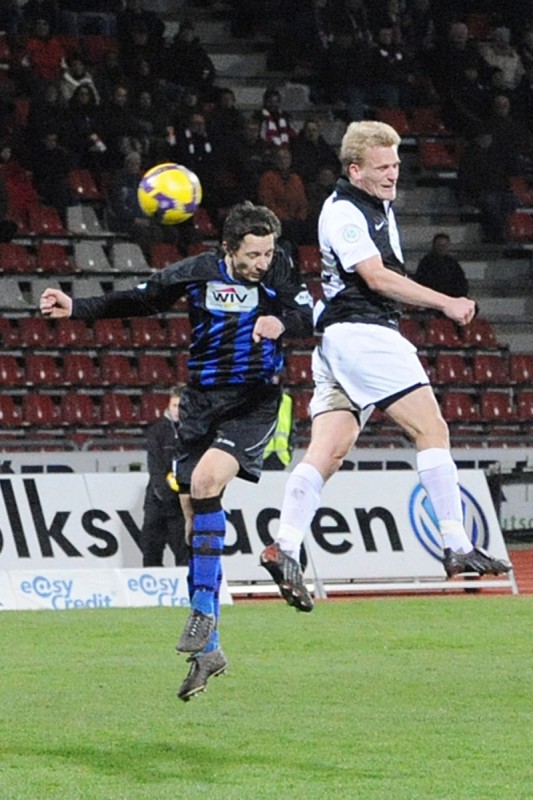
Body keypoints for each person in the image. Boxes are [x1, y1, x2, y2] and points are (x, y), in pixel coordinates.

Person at [39, 201, 313, 700]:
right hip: (200, 405)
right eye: (253, 254)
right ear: (228, 249)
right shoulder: (197, 273)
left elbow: (308, 313)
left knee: (206, 483)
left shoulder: (280, 270)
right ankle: (211, 651)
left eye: (267, 253)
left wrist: (283, 324)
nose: (262, 262)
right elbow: (141, 300)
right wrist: (76, 307)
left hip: (252, 402)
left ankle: (203, 611)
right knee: (192, 518)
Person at [259, 120, 511, 612]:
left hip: (339, 343)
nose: (393, 174)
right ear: (355, 170)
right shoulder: (346, 212)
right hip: (366, 336)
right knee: (431, 430)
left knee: (328, 452)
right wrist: (446, 301)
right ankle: (456, 542)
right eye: (382, 167)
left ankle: (284, 545)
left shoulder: (374, 205)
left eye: (395, 164)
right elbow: (375, 278)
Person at [140, 384, 188, 568]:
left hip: (181, 503)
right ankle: (151, 585)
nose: (177, 410)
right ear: (168, 405)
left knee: (183, 552)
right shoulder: (157, 431)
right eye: (174, 405)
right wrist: (165, 493)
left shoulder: (193, 431)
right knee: (151, 549)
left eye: (180, 406)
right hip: (157, 501)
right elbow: (155, 468)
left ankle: (185, 585)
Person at [414, 233, 469, 298]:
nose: (442, 248)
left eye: (445, 245)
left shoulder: (452, 263)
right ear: (434, 246)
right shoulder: (426, 262)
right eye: (439, 245)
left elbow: (461, 281)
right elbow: (422, 281)